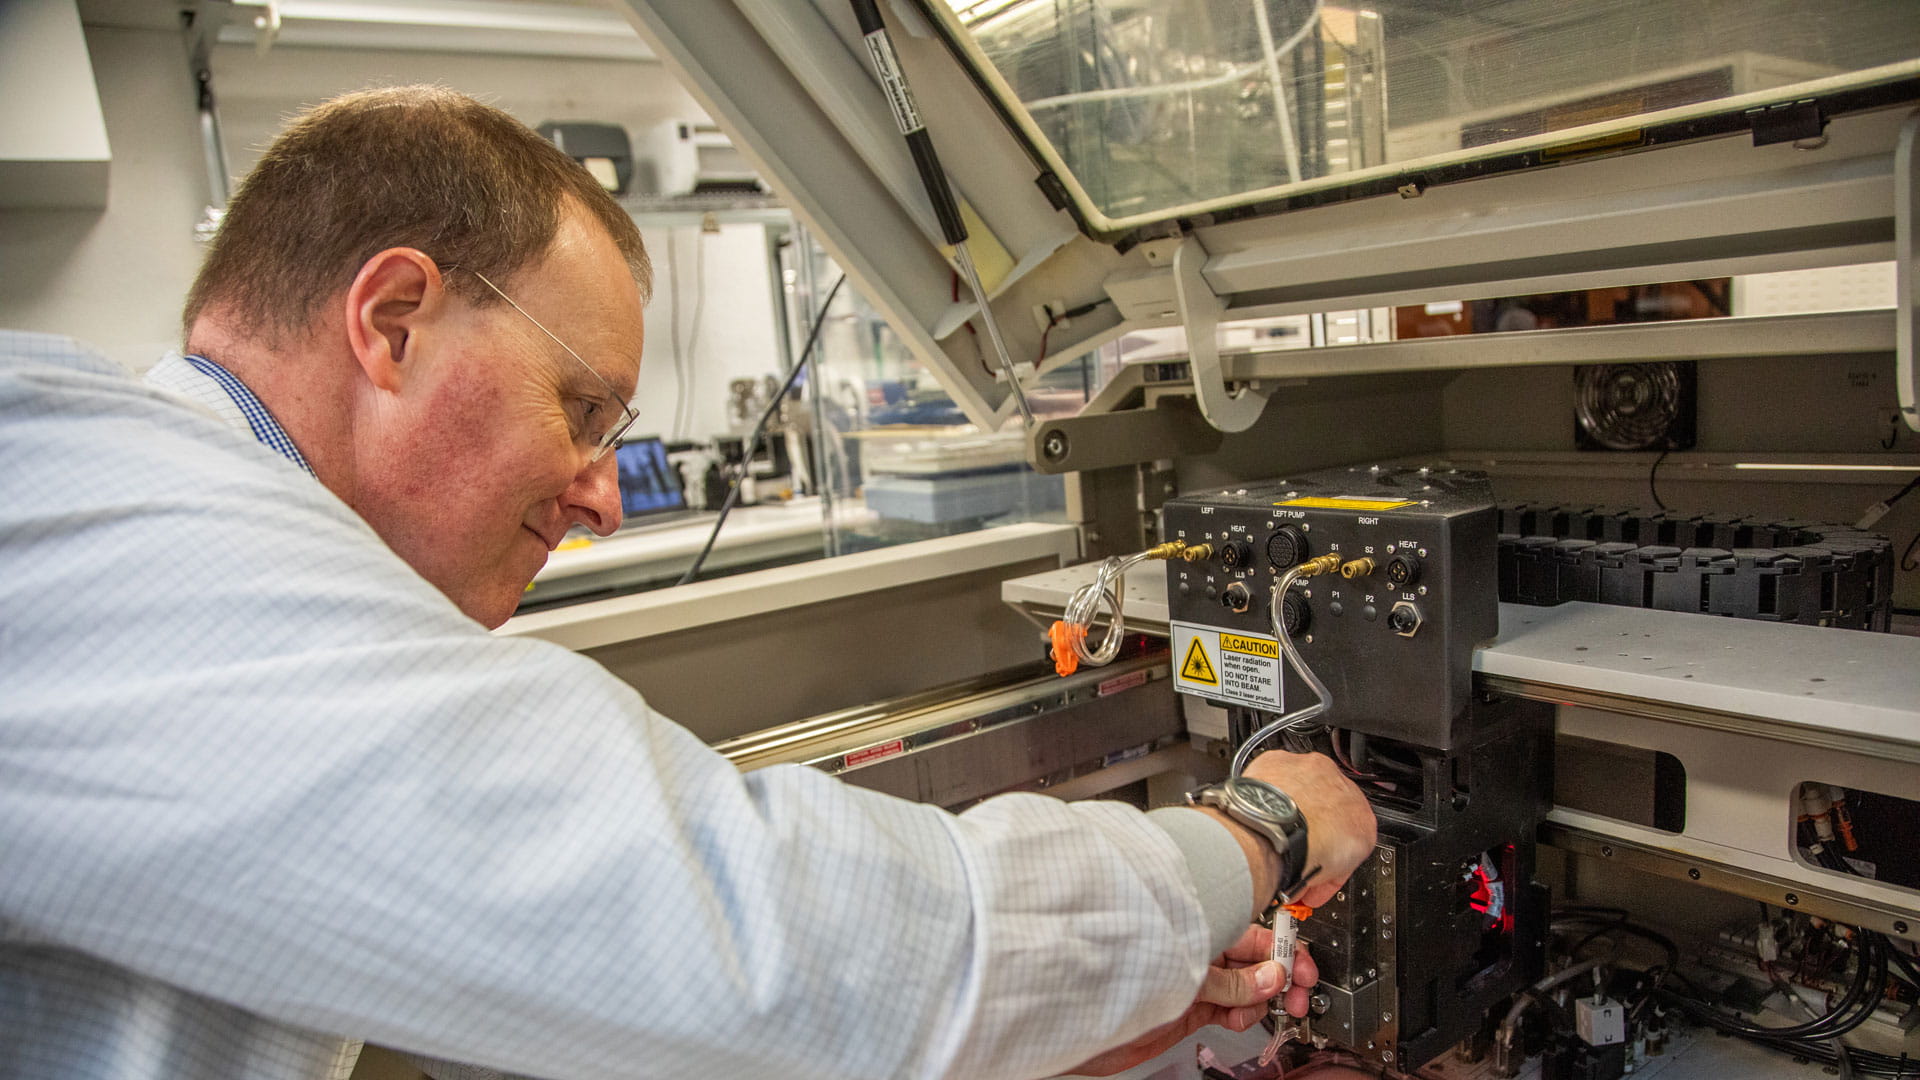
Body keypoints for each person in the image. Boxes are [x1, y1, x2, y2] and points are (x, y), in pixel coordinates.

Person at [0, 86, 1376, 1080]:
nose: (605, 495)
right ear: (393, 319)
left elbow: (603, 983)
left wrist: (1058, 1014)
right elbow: (746, 927)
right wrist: (1251, 832)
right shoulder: (117, 532)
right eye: (581, 407)